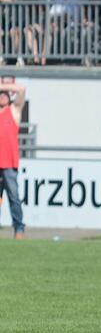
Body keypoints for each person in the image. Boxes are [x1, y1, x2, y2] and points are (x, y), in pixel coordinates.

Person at [0, 81, 26, 239]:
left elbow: (22, 89)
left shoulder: (14, 111)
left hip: (9, 163)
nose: (2, 96)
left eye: (5, 95)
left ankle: (19, 229)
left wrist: (3, 86)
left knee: (14, 198)